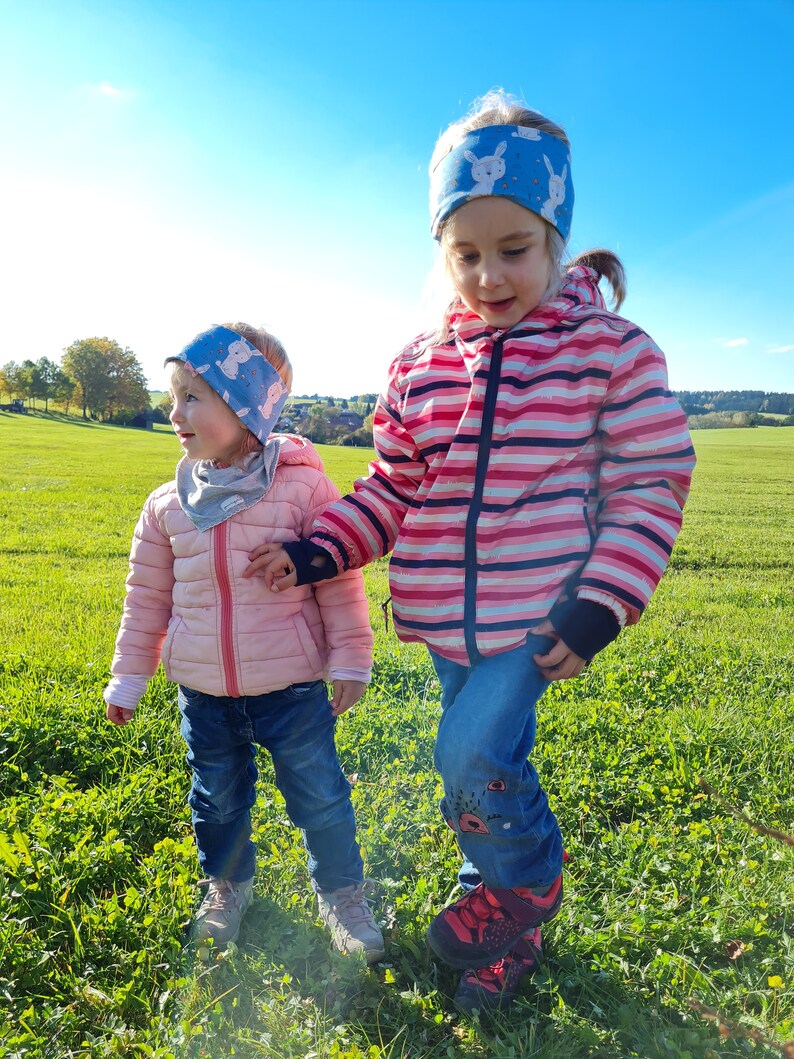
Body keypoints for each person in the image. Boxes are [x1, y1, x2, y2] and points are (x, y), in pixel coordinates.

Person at [244, 91, 696, 1011]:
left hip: (541, 615)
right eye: (467, 255)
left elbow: (650, 482)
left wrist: (601, 600)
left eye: (513, 250)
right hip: (448, 619)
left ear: (556, 236)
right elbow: (393, 487)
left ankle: (526, 880)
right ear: (441, 252)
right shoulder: (420, 365)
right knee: (482, 765)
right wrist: (323, 549)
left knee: (469, 748)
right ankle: (494, 907)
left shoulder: (608, 351)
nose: (489, 276)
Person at [104, 322, 384, 963]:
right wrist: (129, 677)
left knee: (319, 793)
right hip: (203, 690)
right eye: (172, 397)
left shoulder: (304, 489)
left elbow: (339, 580)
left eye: (193, 397)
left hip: (290, 686)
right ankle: (228, 884)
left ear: (246, 406)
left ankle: (343, 893)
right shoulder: (166, 505)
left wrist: (350, 659)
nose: (174, 413)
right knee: (218, 797)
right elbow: (146, 600)